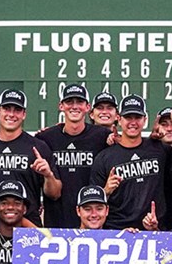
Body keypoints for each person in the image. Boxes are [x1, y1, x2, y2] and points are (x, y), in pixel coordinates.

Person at [0, 88, 60, 222]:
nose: (11, 114)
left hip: (27, 226)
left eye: (17, 110)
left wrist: (48, 175)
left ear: (24, 114)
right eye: (7, 108)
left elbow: (55, 194)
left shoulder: (38, 147)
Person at [35, 83, 113, 228]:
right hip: (57, 221)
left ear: (87, 107)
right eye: (69, 102)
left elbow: (128, 147)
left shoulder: (102, 137)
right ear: (61, 106)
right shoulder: (45, 138)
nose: (74, 106)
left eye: (80, 102)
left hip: (93, 221)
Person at [91, 95, 169, 229]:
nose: (133, 122)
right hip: (117, 231)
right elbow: (93, 202)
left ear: (145, 120)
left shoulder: (159, 149)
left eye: (137, 117)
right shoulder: (104, 157)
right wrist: (106, 191)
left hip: (153, 230)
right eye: (128, 117)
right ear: (119, 119)